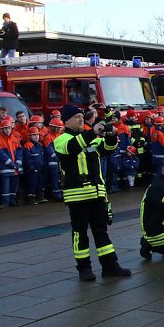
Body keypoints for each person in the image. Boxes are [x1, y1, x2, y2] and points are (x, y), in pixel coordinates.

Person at [53, 104, 132, 281]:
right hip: (77, 196)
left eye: (82, 116)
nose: (81, 119)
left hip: (97, 194)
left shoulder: (91, 138)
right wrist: (92, 132)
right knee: (80, 233)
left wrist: (112, 136)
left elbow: (108, 149)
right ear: (66, 121)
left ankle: (110, 266)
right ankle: (84, 268)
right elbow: (72, 147)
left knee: (101, 231)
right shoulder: (61, 140)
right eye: (76, 117)